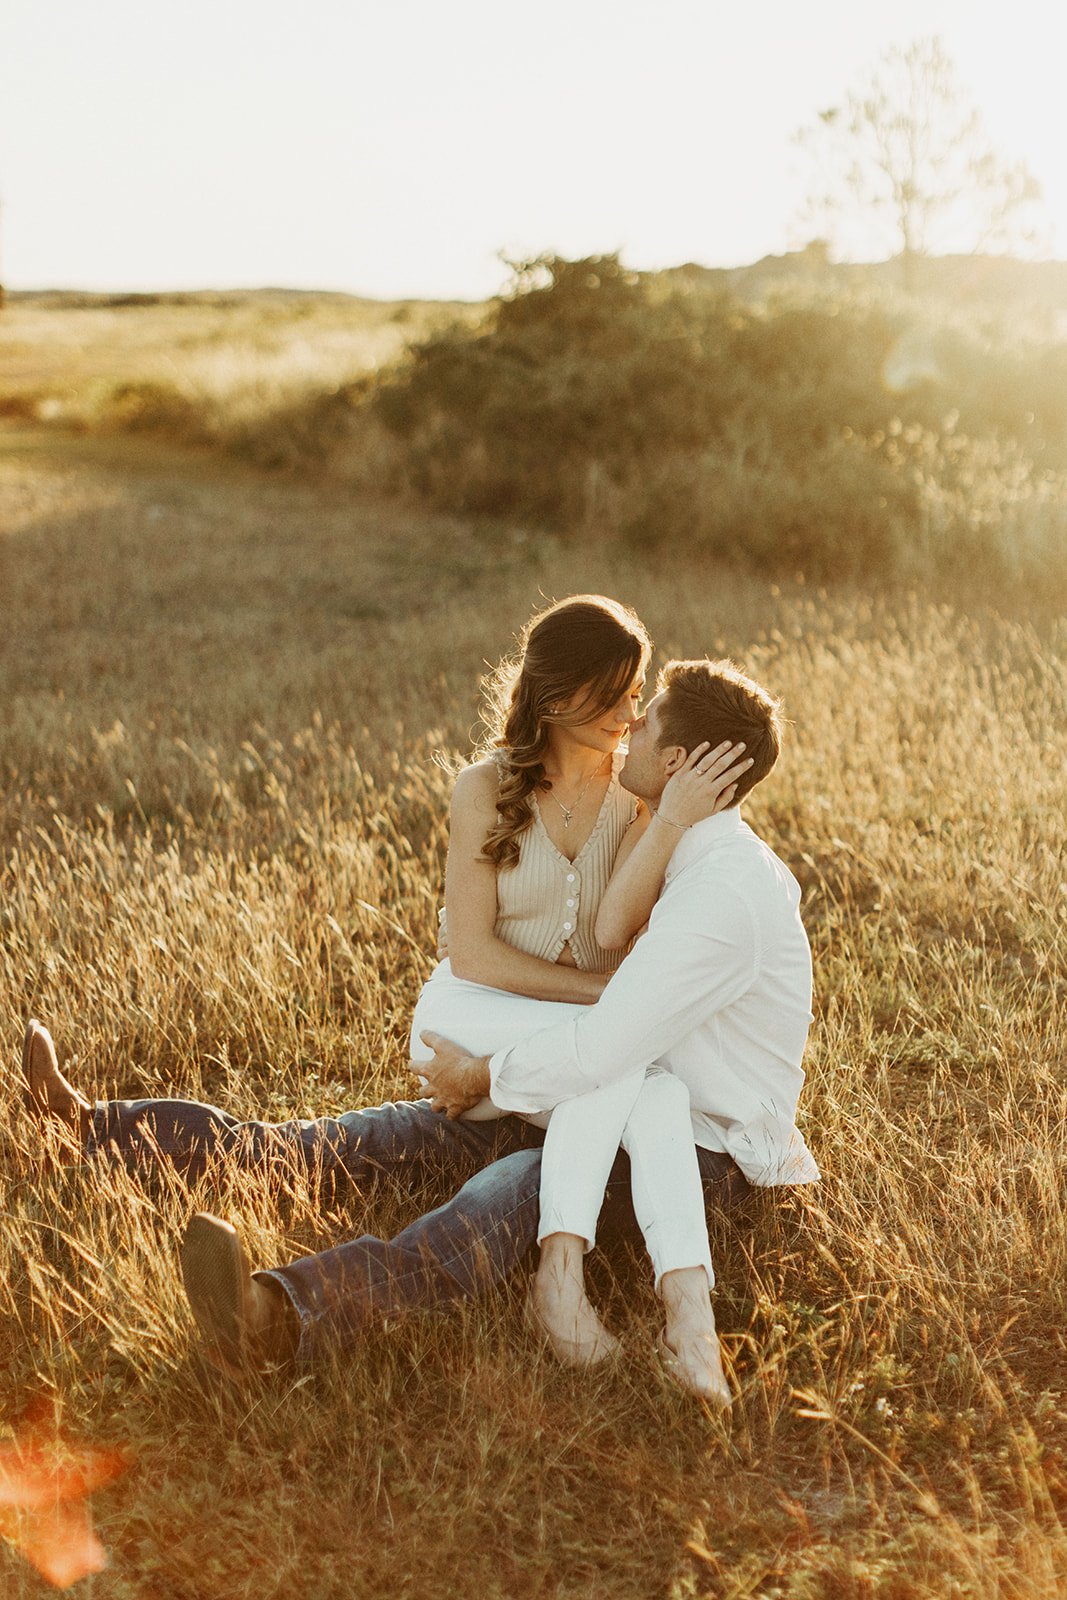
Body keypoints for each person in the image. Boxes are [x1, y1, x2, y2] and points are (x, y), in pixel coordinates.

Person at [20, 648, 817, 1402]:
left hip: (700, 1154)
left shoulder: (721, 893)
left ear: (677, 762)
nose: (630, 725)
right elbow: (604, 976)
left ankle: (275, 1317)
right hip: (590, 1103)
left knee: (499, 1198)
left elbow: (609, 1042)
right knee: (367, 1138)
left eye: (649, 723)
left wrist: (485, 1077)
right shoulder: (677, 850)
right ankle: (93, 1131)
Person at [407, 595, 748, 1392]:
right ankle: (624, 1302)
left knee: (642, 1084)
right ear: (559, 699)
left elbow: (618, 929)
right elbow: (473, 956)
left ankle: (630, 1304)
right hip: (469, 1016)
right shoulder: (482, 788)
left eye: (638, 694)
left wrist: (666, 818)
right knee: (622, 1066)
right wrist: (606, 998)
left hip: (566, 1040)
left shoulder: (637, 794)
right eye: (619, 693)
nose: (635, 712)